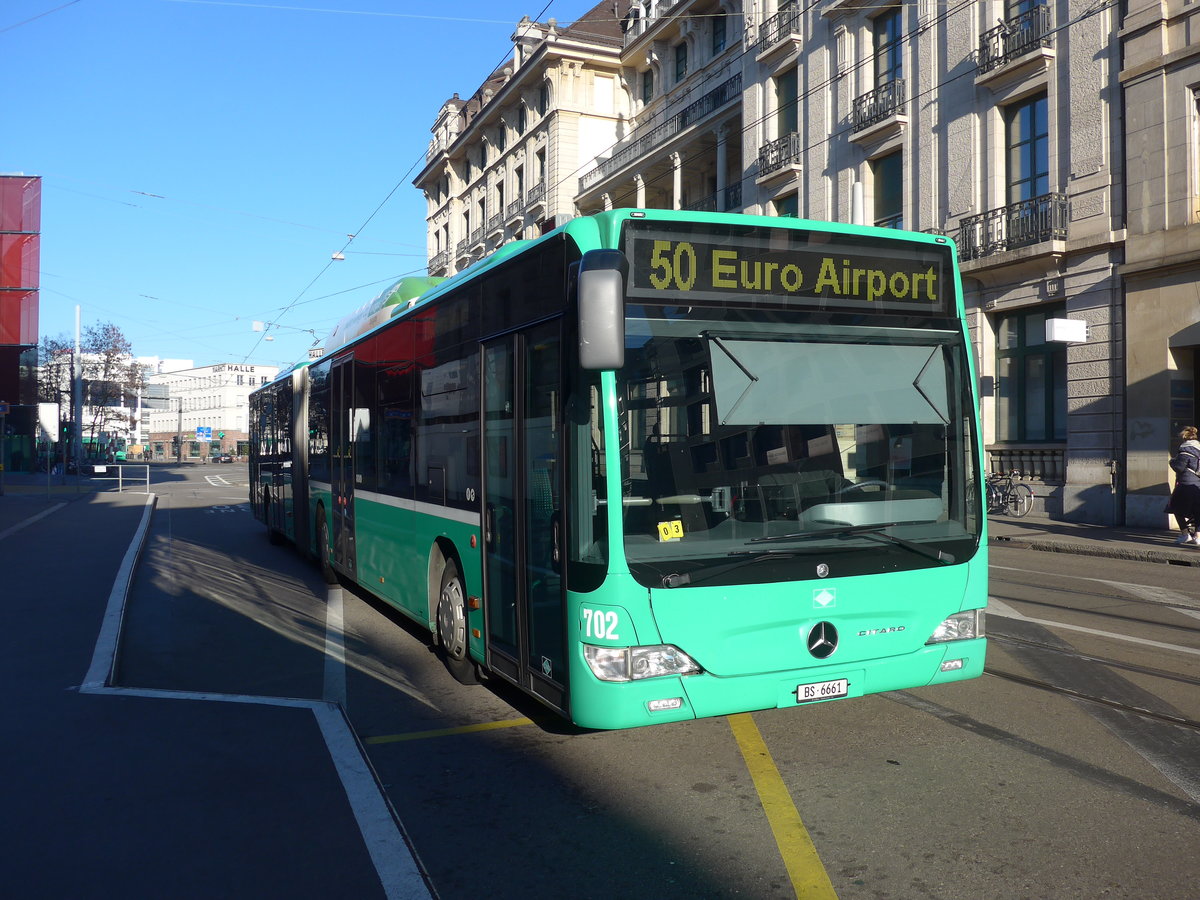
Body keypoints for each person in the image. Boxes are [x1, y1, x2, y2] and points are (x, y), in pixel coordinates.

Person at [1166, 426, 1200, 545]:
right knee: (1198, 510)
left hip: (1185, 484)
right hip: (1197, 485)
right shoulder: (1198, 449)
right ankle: (1198, 536)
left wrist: (1172, 461)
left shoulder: (1185, 451)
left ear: (1184, 438)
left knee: (1175, 508)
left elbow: (1179, 467)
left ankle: (1185, 534)